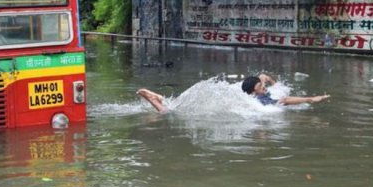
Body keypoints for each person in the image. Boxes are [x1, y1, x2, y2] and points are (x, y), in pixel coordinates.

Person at [137, 73, 330, 113]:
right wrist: (312, 99)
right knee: (169, 114)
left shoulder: (253, 94)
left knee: (177, 104)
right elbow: (286, 100)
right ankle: (149, 98)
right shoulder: (260, 102)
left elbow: (262, 76)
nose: (264, 87)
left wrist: (273, 82)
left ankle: (157, 97)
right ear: (254, 91)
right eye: (261, 87)